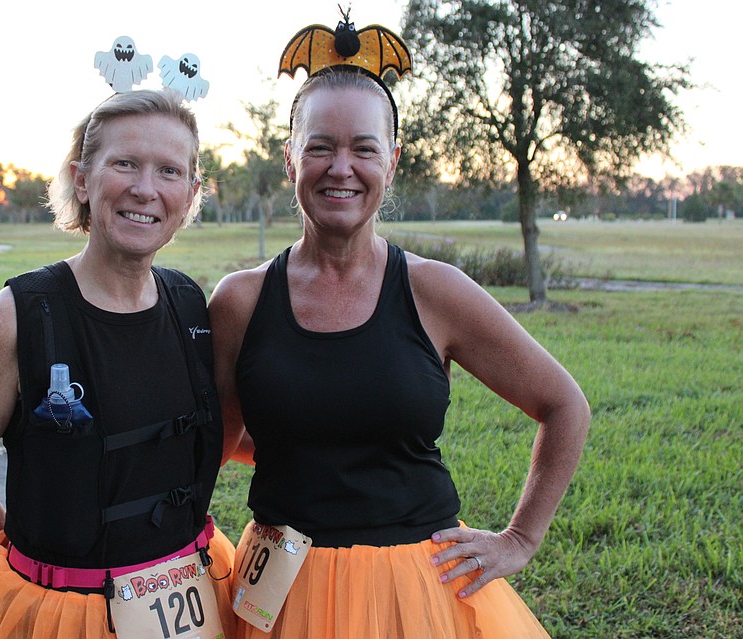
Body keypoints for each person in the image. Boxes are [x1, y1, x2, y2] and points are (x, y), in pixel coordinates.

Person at [208, 27, 591, 639]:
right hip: (276, 594)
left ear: (393, 158)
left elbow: (564, 404)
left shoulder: (436, 292)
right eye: (319, 148)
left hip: (416, 592)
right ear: (289, 158)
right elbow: (216, 444)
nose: (341, 168)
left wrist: (521, 538)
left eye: (364, 148)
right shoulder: (240, 300)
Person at [0, 89, 235, 639]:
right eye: (125, 163)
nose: (146, 188)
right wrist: (43, 567)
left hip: (191, 604)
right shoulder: (16, 317)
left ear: (189, 194)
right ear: (83, 179)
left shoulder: (193, 304)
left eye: (169, 171)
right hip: (64, 616)